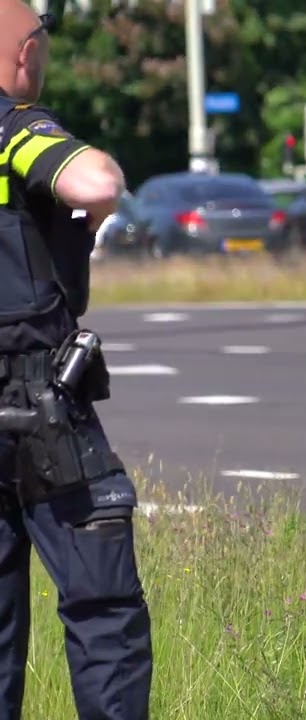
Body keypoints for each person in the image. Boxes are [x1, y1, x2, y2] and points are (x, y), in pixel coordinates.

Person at [0, 4, 153, 719]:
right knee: (103, 609)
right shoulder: (16, 128)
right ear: (26, 52)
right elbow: (92, 180)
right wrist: (93, 203)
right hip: (39, 415)